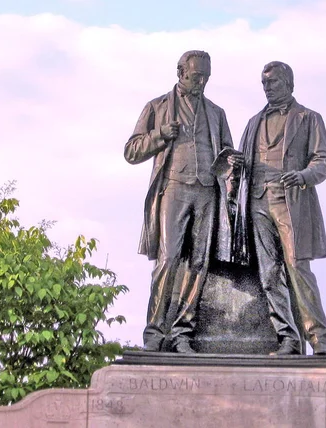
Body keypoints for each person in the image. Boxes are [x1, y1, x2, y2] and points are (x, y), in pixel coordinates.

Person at [124, 51, 238, 353]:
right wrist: (160, 135)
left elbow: (228, 155)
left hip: (206, 194)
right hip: (173, 188)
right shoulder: (157, 107)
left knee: (198, 264)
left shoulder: (216, 113)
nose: (201, 82)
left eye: (206, 77)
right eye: (196, 76)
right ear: (180, 72)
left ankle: (182, 333)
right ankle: (155, 331)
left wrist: (231, 162)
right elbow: (131, 151)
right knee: (169, 259)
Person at [233, 61, 326, 355]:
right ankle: (287, 337)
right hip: (256, 201)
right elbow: (242, 165)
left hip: (290, 201)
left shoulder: (309, 118)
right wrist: (236, 165)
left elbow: (323, 161)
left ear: (289, 83)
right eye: (264, 83)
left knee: (298, 267)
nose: (268, 88)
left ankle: (318, 338)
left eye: (273, 82)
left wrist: (302, 176)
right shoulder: (253, 123)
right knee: (269, 273)